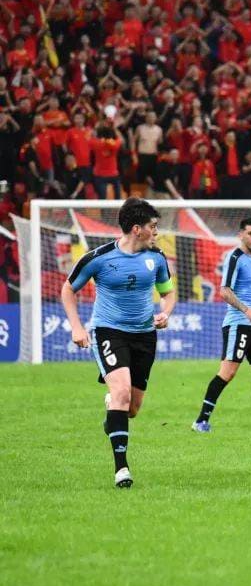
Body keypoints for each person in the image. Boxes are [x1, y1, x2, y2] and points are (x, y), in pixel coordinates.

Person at [60, 198, 177, 488]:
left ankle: (113, 412)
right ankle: (121, 469)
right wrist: (77, 327)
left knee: (131, 408)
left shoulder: (157, 257)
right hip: (109, 332)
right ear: (137, 229)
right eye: (153, 226)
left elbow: (168, 292)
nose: (157, 232)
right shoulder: (98, 258)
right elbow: (68, 289)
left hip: (145, 335)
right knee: (122, 393)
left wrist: (165, 313)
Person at [192, 218, 251, 433]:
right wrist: (247, 310)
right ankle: (201, 421)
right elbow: (225, 291)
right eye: (250, 234)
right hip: (238, 324)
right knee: (228, 372)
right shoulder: (235, 258)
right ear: (241, 235)